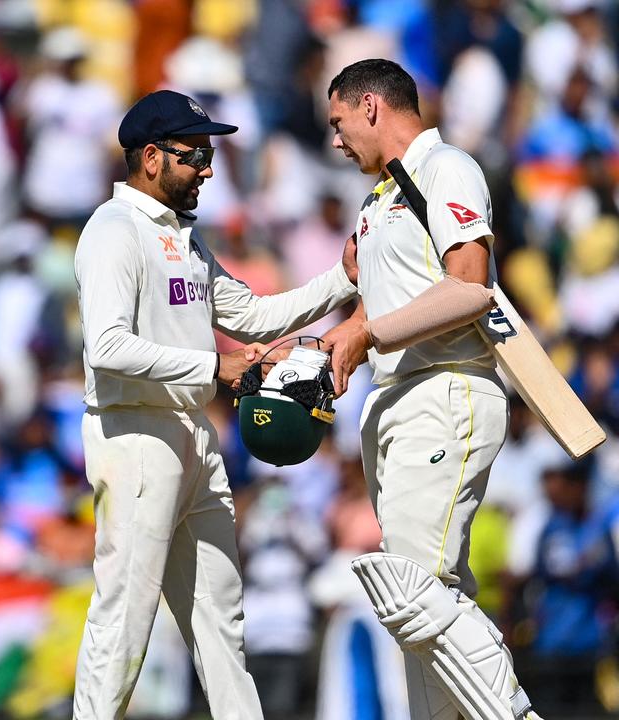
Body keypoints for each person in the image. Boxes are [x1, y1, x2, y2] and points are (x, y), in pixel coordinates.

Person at [72, 89, 359, 720]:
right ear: (151, 157)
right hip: (137, 439)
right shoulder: (113, 231)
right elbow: (109, 348)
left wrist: (344, 279)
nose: (208, 168)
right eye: (195, 154)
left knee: (221, 616)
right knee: (125, 616)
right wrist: (214, 367)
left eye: (210, 153)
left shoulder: (182, 238)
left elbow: (251, 316)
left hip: (191, 435)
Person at [320, 58, 541, 720]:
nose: (335, 141)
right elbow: (379, 307)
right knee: (421, 608)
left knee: (413, 590)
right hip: (395, 403)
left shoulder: (447, 168)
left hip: (446, 390)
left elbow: (471, 283)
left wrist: (372, 334)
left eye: (338, 123)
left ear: (370, 107)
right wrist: (343, 339)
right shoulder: (379, 197)